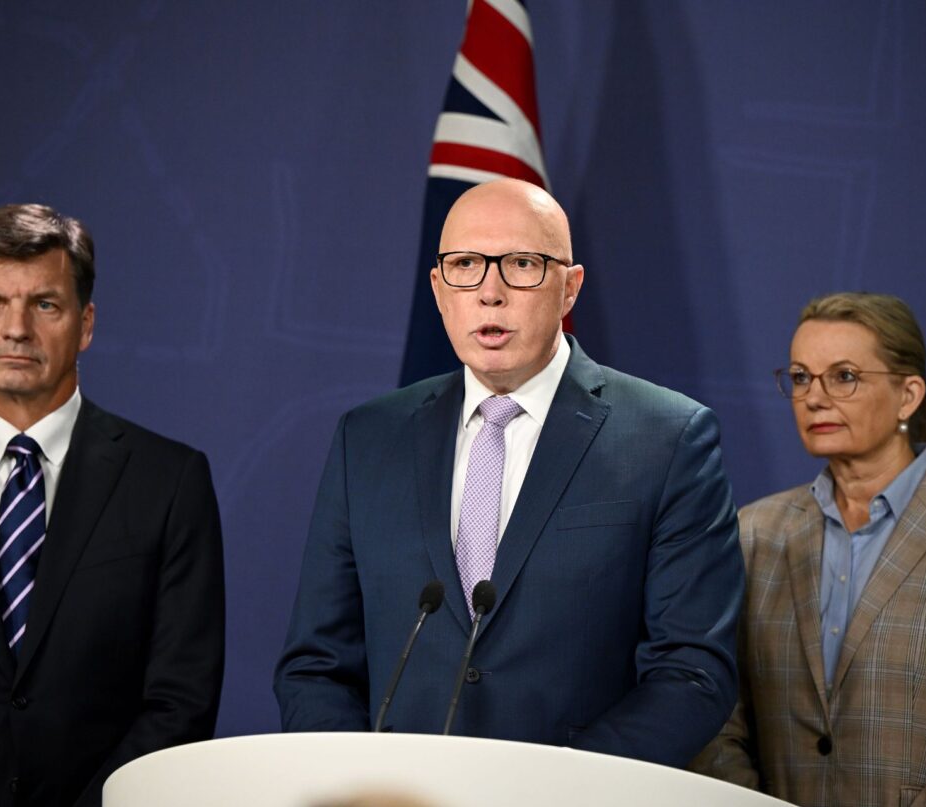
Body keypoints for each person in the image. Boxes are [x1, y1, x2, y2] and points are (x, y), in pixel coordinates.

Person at [274, 179, 743, 766]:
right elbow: (316, 666)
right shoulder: (368, 438)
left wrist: (552, 794)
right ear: (439, 290)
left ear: (569, 288)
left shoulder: (667, 437)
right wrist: (363, 786)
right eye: (466, 265)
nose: (490, 292)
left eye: (522, 264)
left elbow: (692, 674)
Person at [0, 204, 226, 807]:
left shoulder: (170, 481)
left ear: (85, 324)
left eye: (45, 304)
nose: (16, 328)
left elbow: (180, 703)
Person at [691, 292, 926, 805]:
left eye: (844, 376)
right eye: (801, 377)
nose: (814, 397)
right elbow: (715, 719)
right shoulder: (754, 533)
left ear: (908, 395)